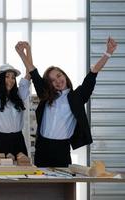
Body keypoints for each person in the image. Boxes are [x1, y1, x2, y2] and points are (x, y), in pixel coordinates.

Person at [15, 37, 117, 167]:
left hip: (62, 149)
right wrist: (23, 52)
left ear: (64, 75)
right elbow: (33, 72)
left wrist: (107, 53)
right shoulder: (46, 95)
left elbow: (93, 73)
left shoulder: (77, 96)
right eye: (52, 80)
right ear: (49, 84)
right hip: (42, 148)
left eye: (59, 76)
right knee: (40, 185)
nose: (57, 81)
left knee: (63, 185)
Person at [0, 32, 31, 158]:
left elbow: (30, 73)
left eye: (13, 77)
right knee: (2, 174)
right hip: (2, 140)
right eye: (7, 77)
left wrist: (27, 51)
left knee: (23, 173)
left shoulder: (19, 95)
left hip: (19, 139)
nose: (11, 80)